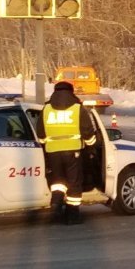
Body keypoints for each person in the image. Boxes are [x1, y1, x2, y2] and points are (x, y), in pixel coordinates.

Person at [36, 81, 97, 225]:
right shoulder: (77, 108)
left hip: (52, 152)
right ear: (71, 92)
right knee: (74, 183)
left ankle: (56, 206)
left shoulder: (46, 109)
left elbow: (40, 133)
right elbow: (87, 131)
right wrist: (91, 146)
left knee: (58, 181)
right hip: (73, 151)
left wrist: (47, 144)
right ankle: (72, 216)